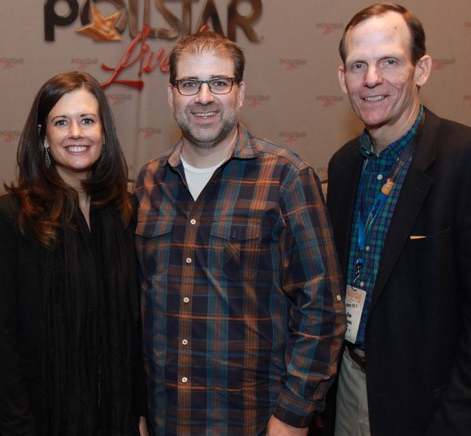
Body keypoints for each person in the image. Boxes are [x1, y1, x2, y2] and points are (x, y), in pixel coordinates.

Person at [324, 4, 471, 435]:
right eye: (358, 65)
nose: (371, 79)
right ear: (342, 79)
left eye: (389, 62)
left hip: (429, 409)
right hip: (347, 388)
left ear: (422, 69)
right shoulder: (343, 167)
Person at [135, 31, 345, 435]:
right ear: (171, 95)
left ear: (241, 92)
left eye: (219, 83)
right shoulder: (148, 182)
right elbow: (138, 310)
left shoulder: (286, 177)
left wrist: (293, 416)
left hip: (254, 422)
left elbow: (321, 307)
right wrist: (139, 407)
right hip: (167, 419)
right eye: (190, 84)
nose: (204, 97)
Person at [0, 71, 147, 435]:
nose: (76, 133)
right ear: (43, 136)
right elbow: (1, 341)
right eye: (61, 122)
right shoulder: (11, 216)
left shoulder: (125, 211)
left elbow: (134, 329)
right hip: (42, 422)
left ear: (104, 133)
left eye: (87, 120)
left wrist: (140, 413)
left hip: (116, 418)